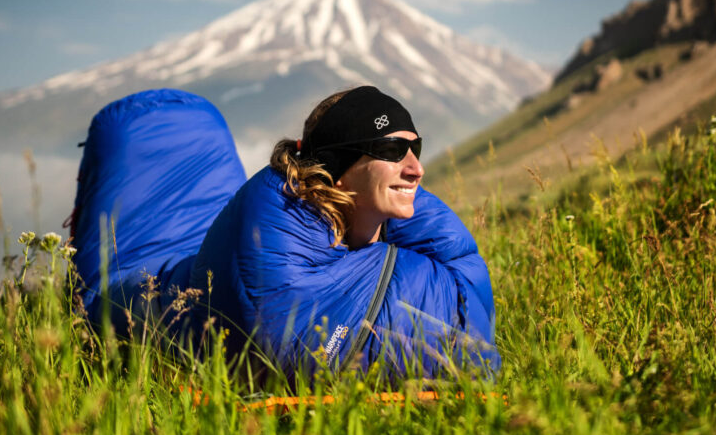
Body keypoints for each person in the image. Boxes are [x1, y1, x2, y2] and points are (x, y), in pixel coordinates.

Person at [72, 86, 499, 381]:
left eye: (415, 149)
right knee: (103, 301)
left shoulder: (381, 218)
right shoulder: (274, 222)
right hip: (152, 284)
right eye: (390, 151)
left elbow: (462, 314)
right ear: (336, 168)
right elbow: (294, 340)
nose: (416, 169)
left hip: (205, 245)